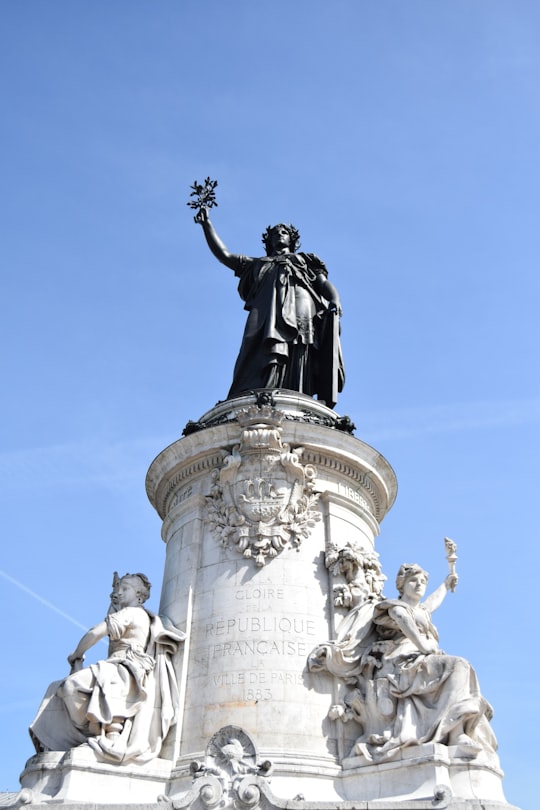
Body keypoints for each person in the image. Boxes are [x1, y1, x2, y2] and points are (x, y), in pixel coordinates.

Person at [195, 209, 345, 408]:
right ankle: (252, 391)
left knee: (299, 346)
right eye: (275, 233)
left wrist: (334, 299)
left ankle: (298, 393)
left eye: (283, 232)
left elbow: (323, 283)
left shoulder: (305, 261)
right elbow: (225, 256)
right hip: (265, 311)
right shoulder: (256, 264)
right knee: (253, 342)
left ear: (292, 239)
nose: (279, 235)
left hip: (302, 307)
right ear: (268, 241)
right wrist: (207, 225)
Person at [29, 573, 184, 765]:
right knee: (59, 687)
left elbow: (95, 632)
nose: (120, 592)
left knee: (70, 686)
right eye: (119, 588)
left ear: (139, 596)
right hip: (117, 667)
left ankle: (102, 738)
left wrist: (77, 654)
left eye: (124, 589)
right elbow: (111, 621)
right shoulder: (131, 613)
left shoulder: (133, 612)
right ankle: (95, 734)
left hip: (123, 669)